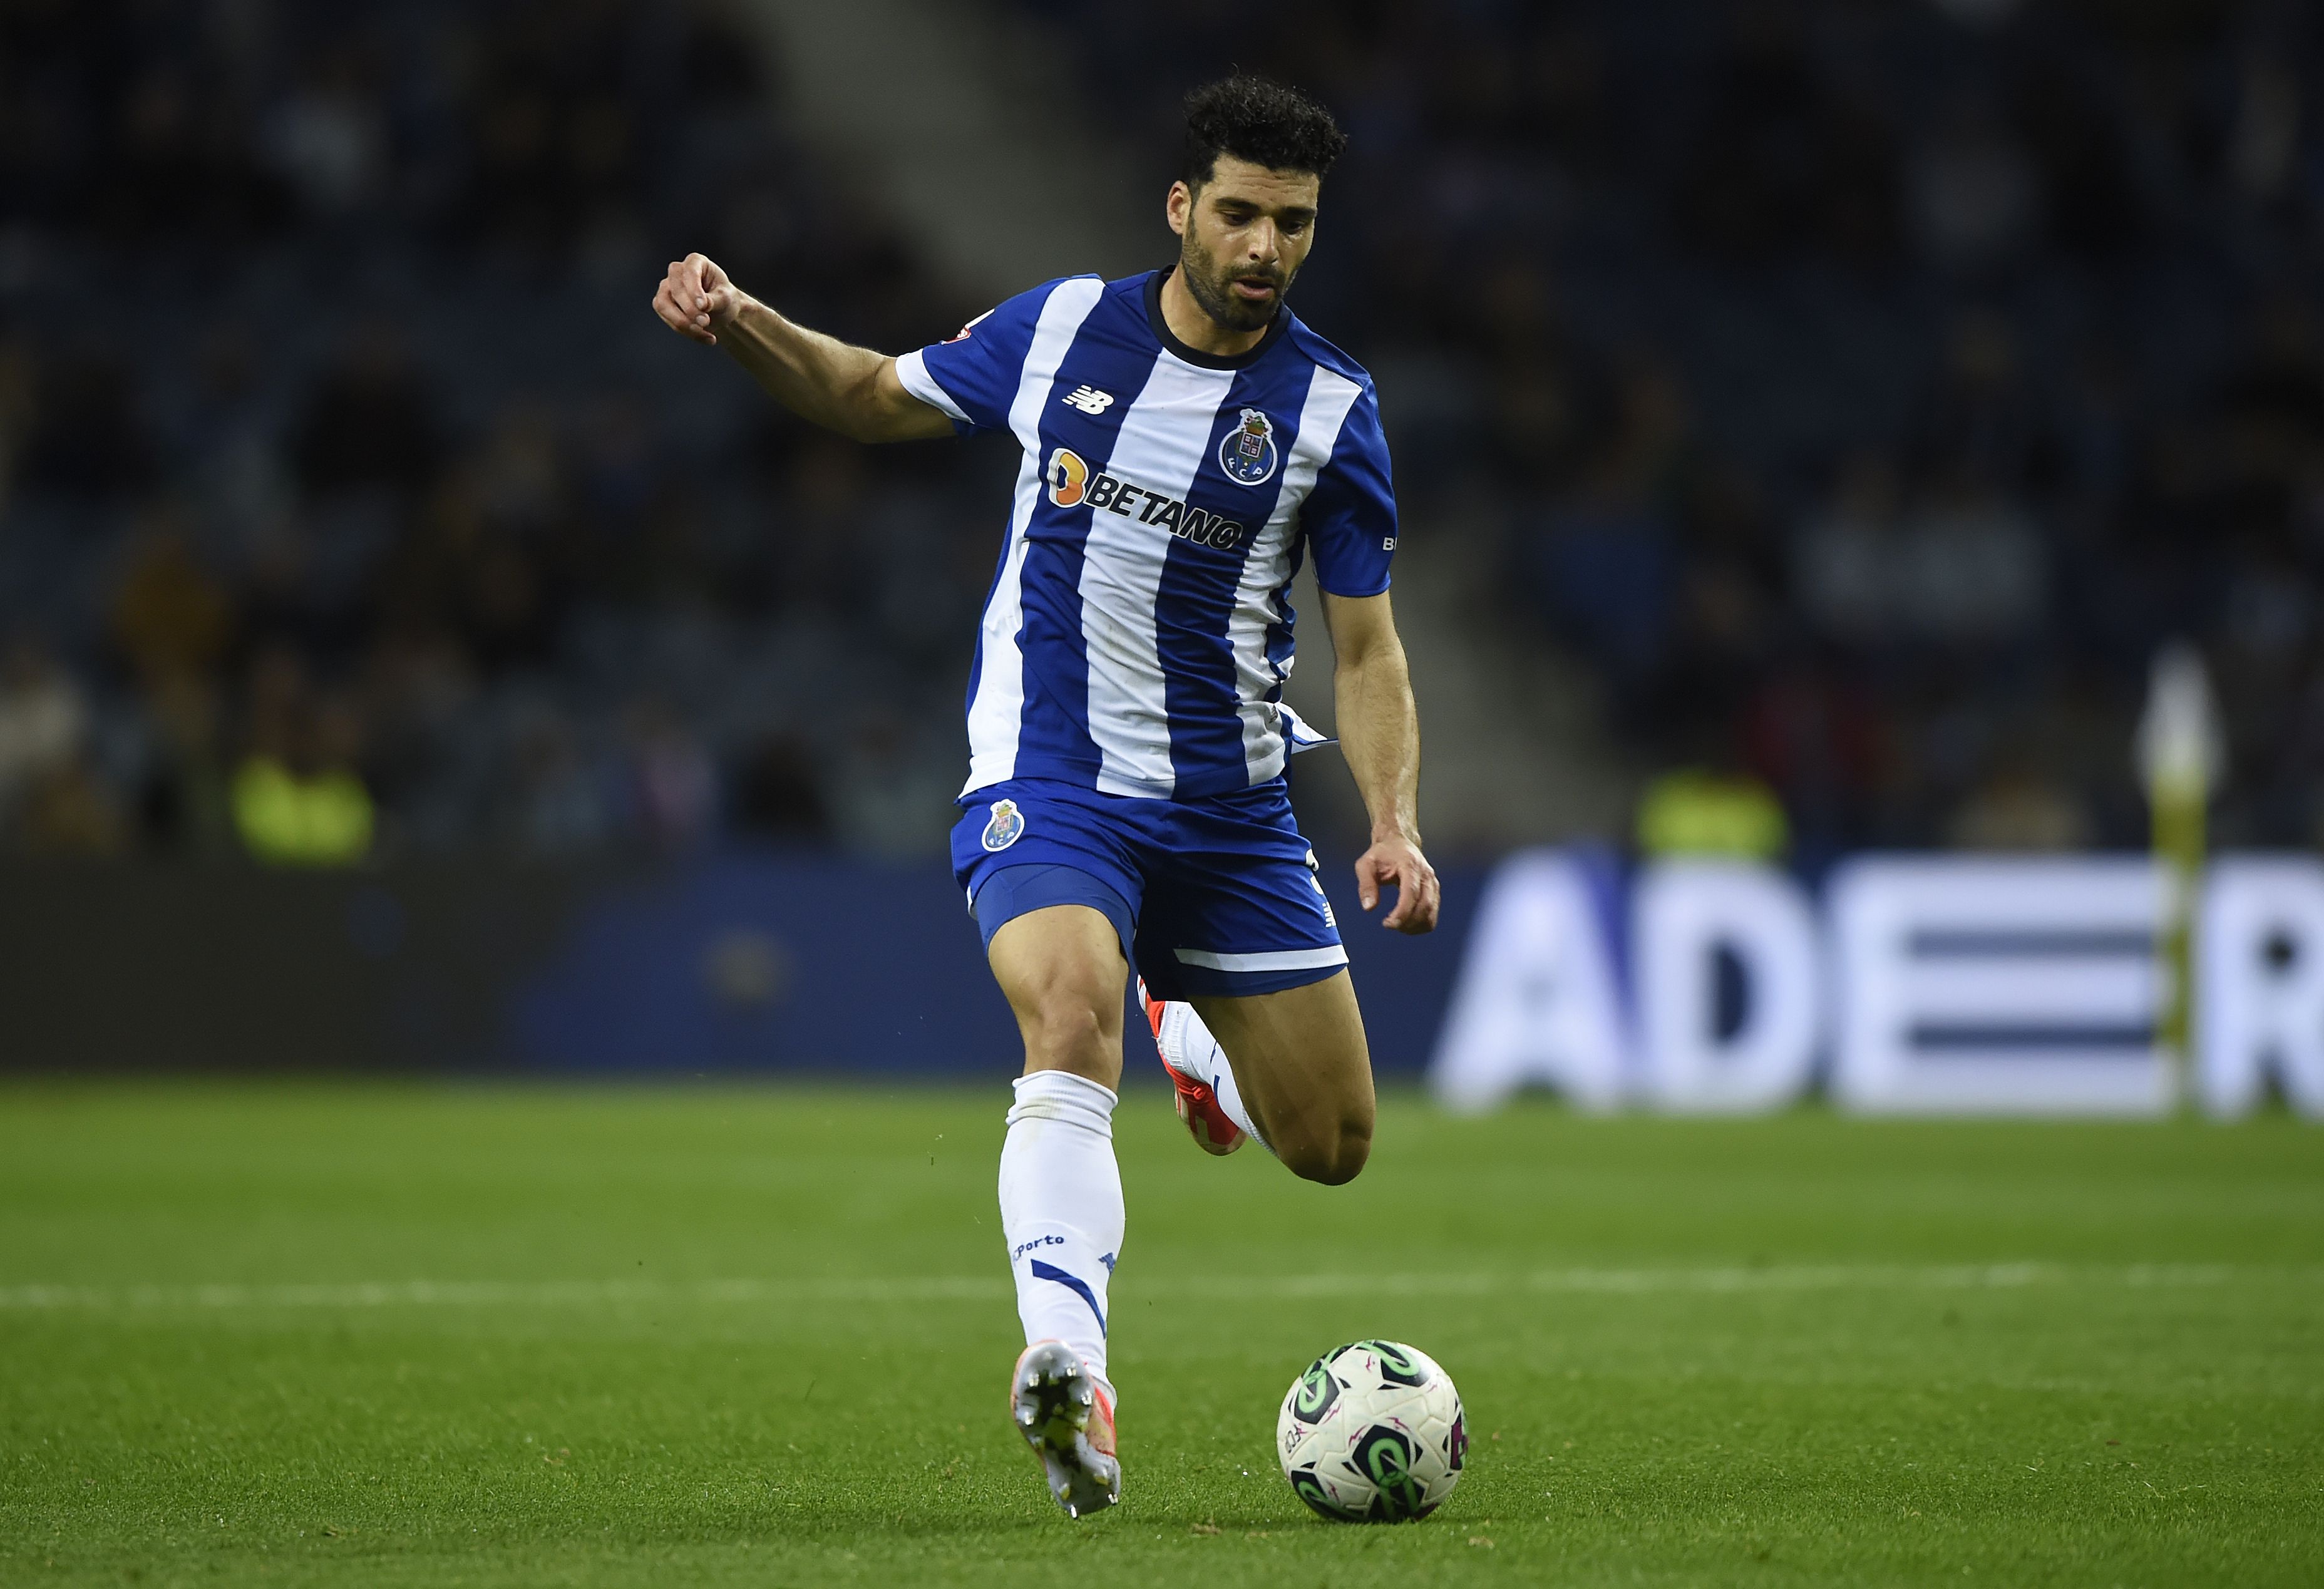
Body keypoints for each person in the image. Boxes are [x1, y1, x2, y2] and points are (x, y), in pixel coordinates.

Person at [650, 73, 1437, 1520]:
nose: (1266, 248)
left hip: (1233, 808)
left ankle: (1190, 1030)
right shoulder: (1062, 329)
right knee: (1065, 1007)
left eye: (1298, 225)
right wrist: (743, 320)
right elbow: (868, 392)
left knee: (1330, 1146)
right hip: (1053, 773)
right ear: (1181, 208)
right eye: (1244, 215)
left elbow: (1367, 647)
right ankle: (1071, 1373)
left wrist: (1388, 819)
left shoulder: (1330, 409)